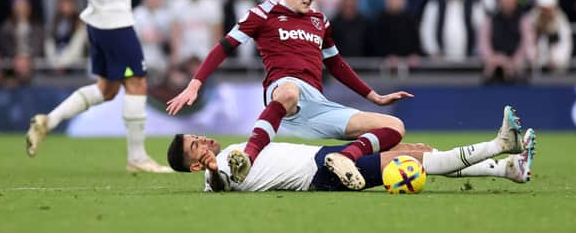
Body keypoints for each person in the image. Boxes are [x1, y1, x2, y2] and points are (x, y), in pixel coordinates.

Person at [166, 0, 413, 188]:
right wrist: (195, 84)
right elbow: (223, 47)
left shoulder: (320, 21)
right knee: (288, 90)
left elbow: (336, 64)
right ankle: (248, 158)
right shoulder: (262, 14)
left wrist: (374, 97)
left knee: (394, 126)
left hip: (317, 103)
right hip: (283, 93)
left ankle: (345, 157)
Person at [26, 0, 174, 173]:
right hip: (112, 22)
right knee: (138, 82)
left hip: (103, 22)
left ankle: (48, 120)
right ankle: (138, 157)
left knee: (107, 90)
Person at [166, 106, 535, 192]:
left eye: (196, 137)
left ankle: (507, 169)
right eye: (195, 146)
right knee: (419, 160)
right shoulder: (216, 179)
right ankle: (500, 144)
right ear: (196, 167)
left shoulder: (231, 150)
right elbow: (220, 184)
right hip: (323, 173)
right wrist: (214, 169)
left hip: (320, 156)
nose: (202, 142)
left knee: (417, 147)